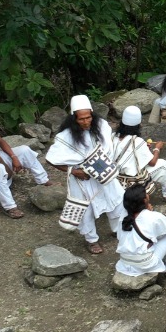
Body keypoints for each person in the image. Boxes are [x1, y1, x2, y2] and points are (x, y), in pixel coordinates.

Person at [45, 94, 126, 254]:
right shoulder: (65, 136)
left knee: (115, 200)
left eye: (88, 117)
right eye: (81, 119)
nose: (86, 121)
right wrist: (74, 171)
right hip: (82, 178)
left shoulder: (101, 125)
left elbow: (108, 147)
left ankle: (117, 230)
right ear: (74, 118)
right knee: (85, 210)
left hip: (103, 173)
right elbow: (51, 159)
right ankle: (92, 240)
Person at [113, 106, 166, 201]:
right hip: (130, 181)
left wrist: (145, 149)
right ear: (138, 125)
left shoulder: (113, 137)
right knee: (162, 165)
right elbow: (152, 162)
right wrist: (157, 148)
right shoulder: (137, 141)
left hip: (115, 178)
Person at [116, 183, 166, 278]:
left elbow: (120, 237)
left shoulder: (123, 216)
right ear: (144, 200)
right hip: (144, 264)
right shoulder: (153, 216)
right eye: (146, 193)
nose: (148, 194)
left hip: (125, 262)